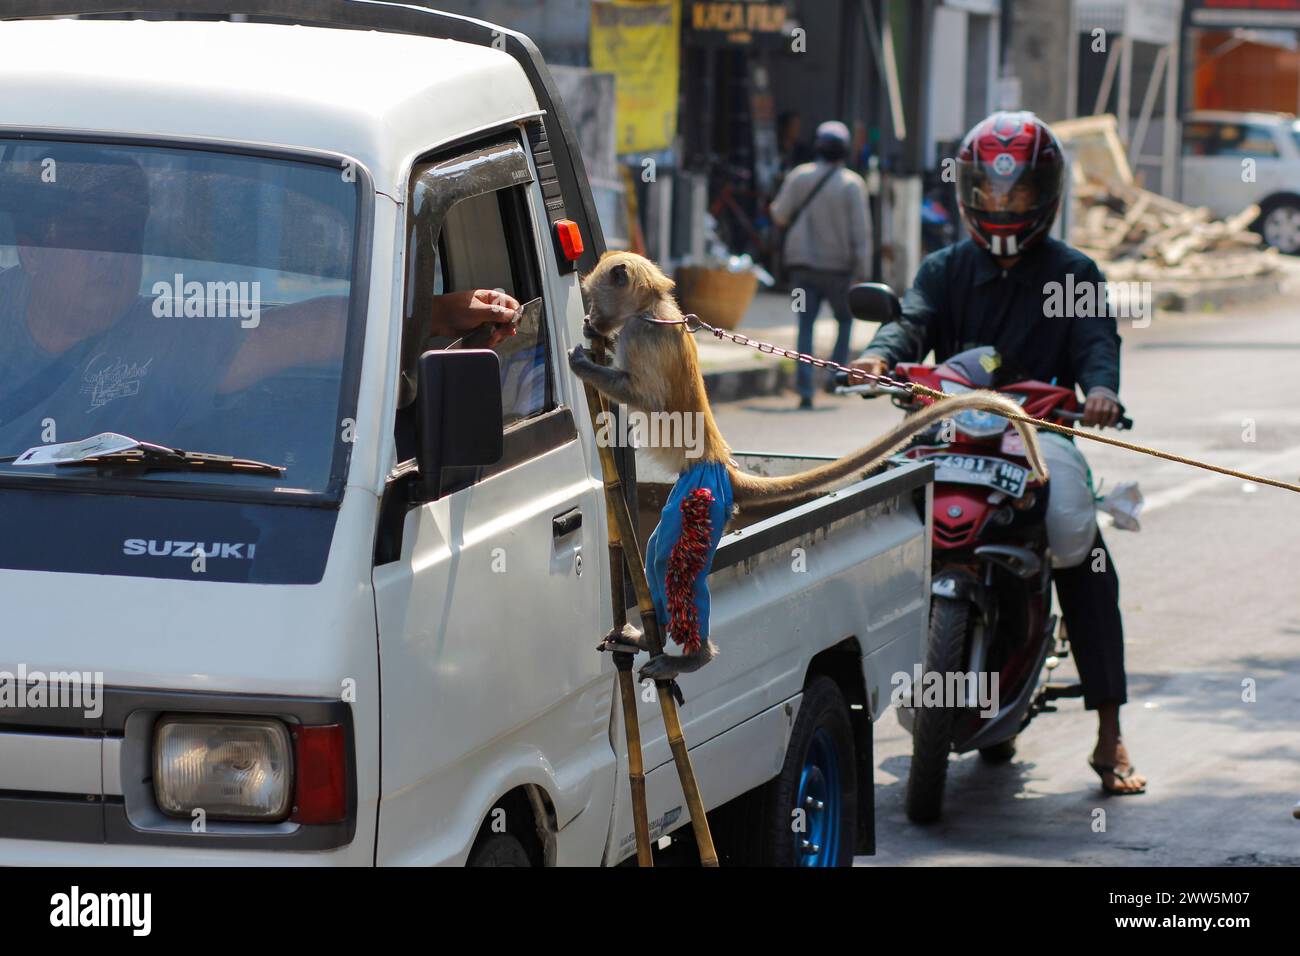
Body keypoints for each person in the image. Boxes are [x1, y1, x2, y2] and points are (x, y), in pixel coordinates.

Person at [851, 111, 1146, 796]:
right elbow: (910, 321)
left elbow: (1098, 344)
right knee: (862, 527)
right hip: (948, 430)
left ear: (1045, 191)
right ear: (969, 190)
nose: (1004, 204)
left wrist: (1099, 391)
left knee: (1081, 545)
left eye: (1018, 191)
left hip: (1043, 438)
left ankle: (1110, 733)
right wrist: (877, 358)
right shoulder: (946, 267)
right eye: (991, 189)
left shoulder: (1075, 272)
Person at [0, 145, 518, 452]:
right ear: (33, 252)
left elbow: (301, 332)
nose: (111, 259)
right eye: (88, 238)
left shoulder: (164, 331)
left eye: (127, 236)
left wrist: (435, 313)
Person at [769, 120, 872, 410]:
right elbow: (861, 234)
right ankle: (834, 377)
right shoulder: (852, 184)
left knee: (805, 326)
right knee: (846, 320)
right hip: (839, 271)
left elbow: (779, 214)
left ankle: (805, 388)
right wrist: (862, 273)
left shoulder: (799, 176)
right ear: (844, 151)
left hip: (802, 268)